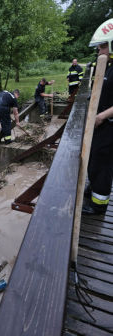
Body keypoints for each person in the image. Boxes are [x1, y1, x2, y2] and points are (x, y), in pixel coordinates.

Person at [82, 18, 113, 215]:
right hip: (100, 124)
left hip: (108, 125)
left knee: (101, 164)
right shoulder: (108, 65)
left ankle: (99, 205)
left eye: (103, 47)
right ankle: (92, 188)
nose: (99, 51)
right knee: (93, 158)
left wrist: (101, 116)